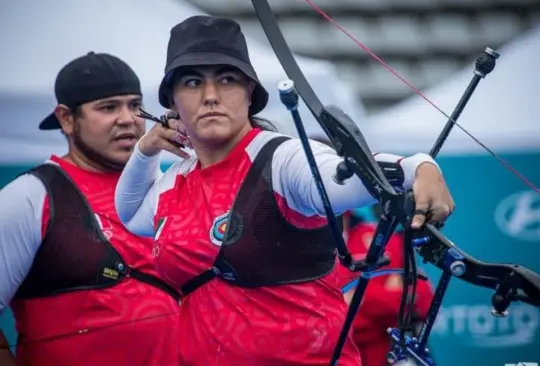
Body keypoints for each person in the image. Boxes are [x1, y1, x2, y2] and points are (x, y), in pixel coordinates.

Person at [114, 15, 455, 366]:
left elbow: (344, 176)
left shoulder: (281, 160)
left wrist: (417, 168)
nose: (211, 96)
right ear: (172, 100)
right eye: (193, 82)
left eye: (227, 80)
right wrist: (146, 150)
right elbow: (130, 213)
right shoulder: (177, 178)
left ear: (250, 92)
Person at [0, 52, 182, 366]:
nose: (128, 118)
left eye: (135, 105)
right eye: (108, 107)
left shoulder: (168, 185)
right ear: (66, 119)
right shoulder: (31, 197)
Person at [309, 135, 435, 366]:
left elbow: (421, 299)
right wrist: (374, 296)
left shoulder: (378, 235)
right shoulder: (283, 238)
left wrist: (354, 301)